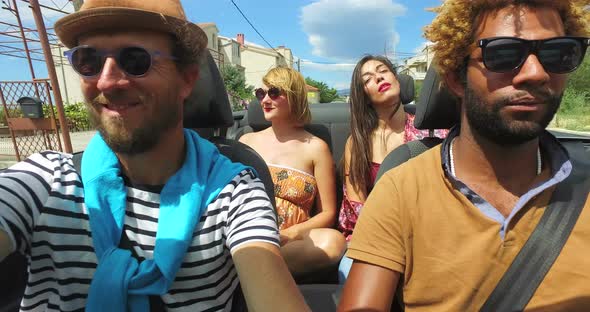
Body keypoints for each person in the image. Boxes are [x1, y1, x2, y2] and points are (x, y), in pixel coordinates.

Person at [0, 1, 310, 311]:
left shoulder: (234, 191)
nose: (107, 81)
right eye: (87, 61)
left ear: (187, 79)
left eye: (136, 60)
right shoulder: (45, 181)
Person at [339, 0, 590, 310]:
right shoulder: (399, 188)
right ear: (456, 79)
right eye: (503, 53)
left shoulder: (583, 186)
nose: (536, 73)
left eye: (558, 52)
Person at [337, 55, 447, 281]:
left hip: (428, 235)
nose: (378, 77)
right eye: (367, 79)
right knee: (350, 275)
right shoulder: (357, 143)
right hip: (372, 237)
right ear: (363, 95)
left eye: (383, 71)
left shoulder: (434, 135)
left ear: (397, 79)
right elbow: (357, 205)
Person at [240, 67, 346, 277]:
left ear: (295, 96)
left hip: (289, 243)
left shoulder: (316, 147)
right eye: (261, 94)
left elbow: (328, 213)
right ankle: (256, 269)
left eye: (274, 93)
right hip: (245, 233)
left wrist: (290, 233)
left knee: (333, 242)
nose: (265, 100)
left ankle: (251, 271)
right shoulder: (245, 142)